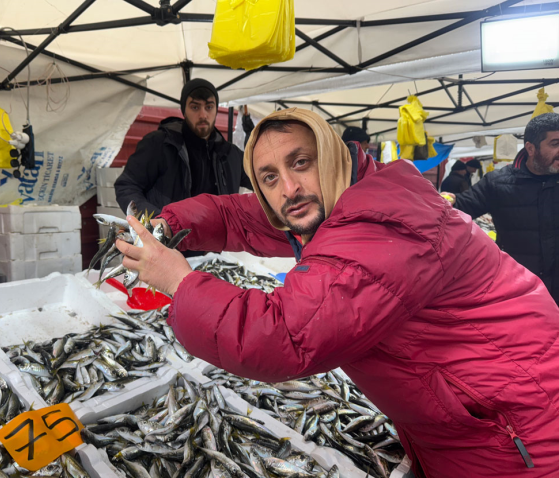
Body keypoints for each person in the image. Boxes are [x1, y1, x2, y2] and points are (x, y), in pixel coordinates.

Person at [116, 108, 559, 478]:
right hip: (468, 423)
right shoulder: (349, 195)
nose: (289, 189)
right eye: (269, 177)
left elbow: (282, 338)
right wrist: (170, 224)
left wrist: (179, 282)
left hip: (522, 435)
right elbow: (240, 216)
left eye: (300, 163)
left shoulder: (378, 223)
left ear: (331, 157)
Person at [446, 113, 559, 304]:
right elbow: (461, 207)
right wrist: (445, 200)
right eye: (555, 143)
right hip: (519, 290)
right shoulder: (498, 183)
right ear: (531, 148)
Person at [114, 78, 252, 217]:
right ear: (184, 111)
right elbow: (127, 187)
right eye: (195, 107)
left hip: (220, 237)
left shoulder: (231, 155)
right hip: (170, 237)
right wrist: (158, 221)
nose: (203, 115)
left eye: (209, 107)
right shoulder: (159, 144)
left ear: (216, 110)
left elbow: (263, 181)